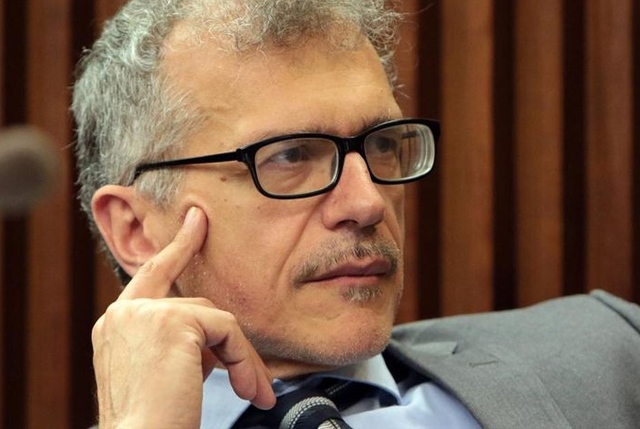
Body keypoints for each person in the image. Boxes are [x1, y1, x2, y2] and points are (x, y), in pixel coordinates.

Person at [72, 0, 640, 428]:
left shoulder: (611, 350)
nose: (367, 204)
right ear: (136, 229)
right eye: (291, 156)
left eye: (382, 144)